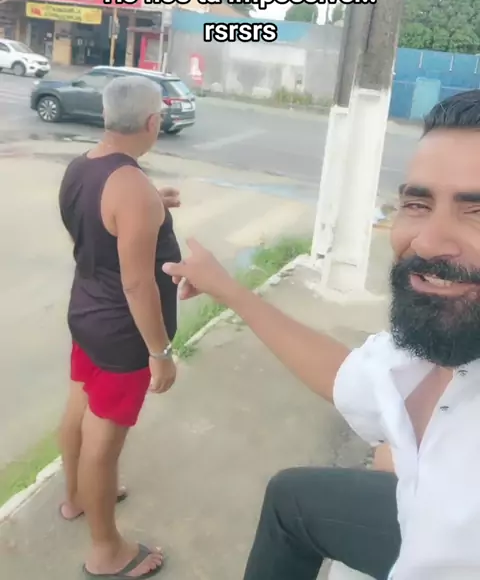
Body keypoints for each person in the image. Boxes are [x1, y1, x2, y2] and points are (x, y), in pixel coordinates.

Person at [163, 89, 480, 580]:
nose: (427, 241)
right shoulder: (435, 350)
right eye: (417, 204)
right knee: (292, 499)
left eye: (476, 211)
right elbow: (350, 376)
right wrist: (229, 290)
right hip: (417, 523)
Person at [58, 75, 181, 579]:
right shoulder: (132, 188)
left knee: (78, 408)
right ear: (151, 122)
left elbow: (98, 223)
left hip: (86, 313)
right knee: (103, 444)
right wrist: (160, 351)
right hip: (122, 335)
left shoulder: (82, 166)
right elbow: (136, 283)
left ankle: (75, 498)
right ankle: (107, 551)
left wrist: (152, 207)